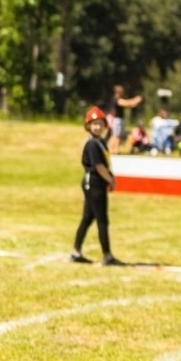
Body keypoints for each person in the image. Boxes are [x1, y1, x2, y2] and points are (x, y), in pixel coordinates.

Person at [71, 106, 121, 265]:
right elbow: (99, 166)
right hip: (93, 183)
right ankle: (107, 255)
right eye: (94, 124)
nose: (97, 127)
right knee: (102, 219)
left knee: (87, 218)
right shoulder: (92, 144)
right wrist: (110, 180)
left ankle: (76, 252)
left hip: (97, 182)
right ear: (88, 126)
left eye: (100, 124)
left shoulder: (100, 142)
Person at [110, 83, 142, 152]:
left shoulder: (118, 99)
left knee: (118, 135)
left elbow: (129, 104)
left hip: (119, 119)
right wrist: (136, 100)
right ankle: (114, 150)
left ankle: (114, 149)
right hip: (117, 120)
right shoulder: (117, 99)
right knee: (116, 135)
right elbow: (126, 103)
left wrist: (134, 103)